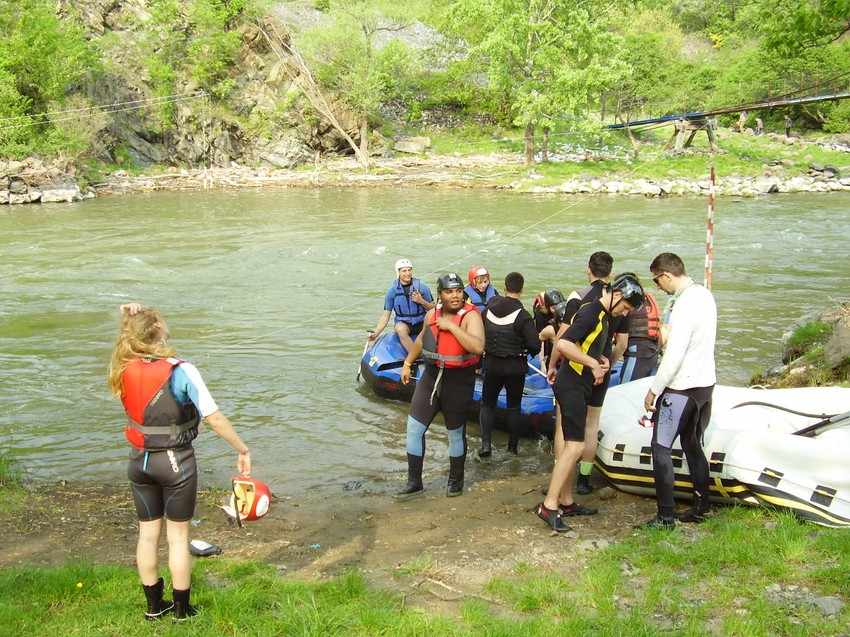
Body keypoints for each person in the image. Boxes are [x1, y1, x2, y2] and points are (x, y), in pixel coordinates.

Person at [108, 303, 252, 621]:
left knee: (147, 535)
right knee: (178, 538)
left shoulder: (122, 365)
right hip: (176, 463)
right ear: (158, 325)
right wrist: (242, 449)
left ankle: (153, 608)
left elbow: (129, 336)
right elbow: (213, 418)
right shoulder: (181, 370)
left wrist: (132, 313)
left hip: (139, 462)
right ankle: (183, 610)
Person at [536, 275, 645, 532]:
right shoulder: (592, 312)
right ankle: (549, 506)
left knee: (574, 445)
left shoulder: (604, 316)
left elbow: (589, 346)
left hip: (581, 384)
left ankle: (566, 500)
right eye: (626, 308)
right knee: (575, 446)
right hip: (572, 385)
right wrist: (593, 363)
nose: (624, 313)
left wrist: (601, 361)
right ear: (617, 295)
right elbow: (563, 343)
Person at [636, 253, 717, 531]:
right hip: (705, 385)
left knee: (660, 447)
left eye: (658, 281)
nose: (658, 287)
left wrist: (654, 390)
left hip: (682, 387)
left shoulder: (684, 305)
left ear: (667, 275)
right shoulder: (705, 295)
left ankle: (665, 517)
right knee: (693, 444)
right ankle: (701, 506)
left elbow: (674, 356)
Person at [395, 273, 485, 499]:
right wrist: (407, 363)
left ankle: (456, 480)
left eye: (458, 291)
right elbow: (420, 340)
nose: (454, 296)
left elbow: (477, 347)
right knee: (414, 429)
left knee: (455, 434)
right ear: (440, 294)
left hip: (458, 381)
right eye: (448, 292)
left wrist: (451, 327)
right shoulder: (431, 315)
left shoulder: (471, 317)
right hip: (430, 377)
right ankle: (414, 481)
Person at [560, 252, 630, 496]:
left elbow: (564, 337)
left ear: (588, 270)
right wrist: (607, 362)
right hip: (602, 366)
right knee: (592, 425)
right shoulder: (620, 303)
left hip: (577, 368)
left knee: (565, 429)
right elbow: (621, 343)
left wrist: (551, 365)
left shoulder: (579, 297)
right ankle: (584, 479)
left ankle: (562, 482)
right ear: (610, 274)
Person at [478, 272, 541, 457]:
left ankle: (486, 445)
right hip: (515, 369)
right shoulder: (523, 316)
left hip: (492, 366)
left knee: (487, 404)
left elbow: (480, 330)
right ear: (521, 290)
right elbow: (535, 345)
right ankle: (512, 449)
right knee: (514, 407)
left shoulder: (488, 308)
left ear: (504, 287)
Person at [368, 258, 435, 354]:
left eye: (409, 270)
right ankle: (415, 355)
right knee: (400, 329)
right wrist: (375, 334)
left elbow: (434, 308)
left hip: (421, 321)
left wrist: (422, 301)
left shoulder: (422, 287)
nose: (407, 273)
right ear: (398, 272)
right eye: (404, 271)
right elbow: (385, 317)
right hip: (404, 323)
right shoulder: (392, 291)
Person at [617, 272, 664, 384]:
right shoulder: (649, 298)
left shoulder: (627, 302)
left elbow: (622, 344)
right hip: (652, 354)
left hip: (636, 354)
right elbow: (661, 329)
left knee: (624, 390)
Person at [532, 288, 565, 369]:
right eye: (554, 308)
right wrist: (542, 362)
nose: (557, 310)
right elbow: (540, 338)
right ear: (547, 306)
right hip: (546, 329)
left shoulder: (564, 309)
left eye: (558, 306)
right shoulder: (541, 313)